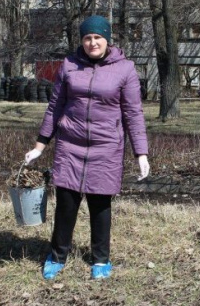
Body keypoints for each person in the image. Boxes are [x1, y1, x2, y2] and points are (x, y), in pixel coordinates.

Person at [25, 15, 149, 280]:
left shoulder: (125, 69)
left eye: (97, 37)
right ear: (82, 40)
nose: (92, 43)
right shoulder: (69, 65)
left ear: (107, 39)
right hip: (70, 144)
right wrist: (40, 145)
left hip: (107, 147)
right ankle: (57, 256)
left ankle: (100, 259)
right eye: (87, 38)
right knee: (66, 204)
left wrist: (141, 153)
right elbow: (55, 107)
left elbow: (133, 113)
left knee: (100, 204)